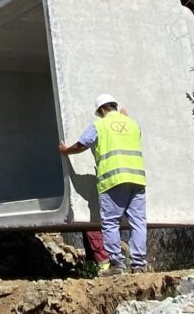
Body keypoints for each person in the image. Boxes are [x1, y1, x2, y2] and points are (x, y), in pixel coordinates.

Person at [59, 96, 146, 273]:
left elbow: (82, 144)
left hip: (113, 180)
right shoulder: (132, 124)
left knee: (111, 222)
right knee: (138, 222)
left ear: (101, 110)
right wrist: (126, 118)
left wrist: (66, 150)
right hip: (137, 179)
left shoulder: (100, 125)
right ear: (115, 106)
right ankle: (139, 264)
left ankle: (117, 265)